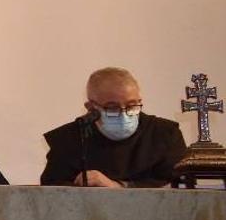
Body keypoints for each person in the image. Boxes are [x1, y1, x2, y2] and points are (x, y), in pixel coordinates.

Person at [40, 67, 187, 188]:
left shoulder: (165, 134)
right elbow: (53, 192)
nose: (124, 114)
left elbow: (178, 186)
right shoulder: (68, 140)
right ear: (91, 108)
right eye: (112, 108)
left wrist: (117, 186)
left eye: (132, 105)